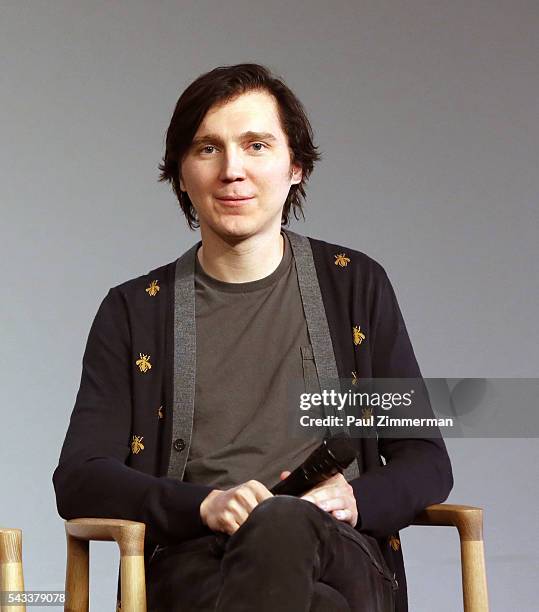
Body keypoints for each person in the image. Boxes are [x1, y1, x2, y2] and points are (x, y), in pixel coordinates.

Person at [53, 63, 453, 612]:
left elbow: (427, 462)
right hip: (197, 564)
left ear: (297, 167)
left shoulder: (354, 285)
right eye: (207, 149)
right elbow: (79, 477)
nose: (232, 171)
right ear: (180, 173)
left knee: (286, 522)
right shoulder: (133, 313)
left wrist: (353, 499)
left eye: (257, 145)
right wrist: (205, 506)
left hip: (340, 551)